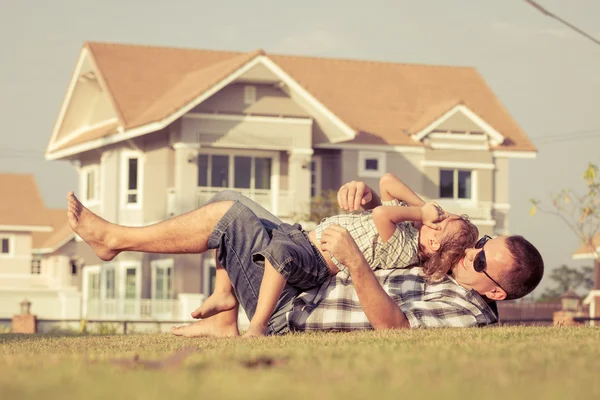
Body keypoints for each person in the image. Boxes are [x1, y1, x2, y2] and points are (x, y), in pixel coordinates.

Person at [65, 181, 544, 337]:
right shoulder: (450, 268)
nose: (472, 253)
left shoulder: (468, 312)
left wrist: (356, 262)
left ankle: (112, 238)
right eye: (484, 243)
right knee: (237, 201)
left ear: (497, 291)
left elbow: (395, 329)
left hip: (290, 310)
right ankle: (223, 315)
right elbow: (410, 233)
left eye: (481, 261)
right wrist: (369, 197)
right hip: (308, 276)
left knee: (232, 216)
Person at [240, 172, 479, 336]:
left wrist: (419, 213)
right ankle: (224, 304)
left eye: (443, 220)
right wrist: (423, 205)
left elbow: (381, 215)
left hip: (314, 260)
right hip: (302, 237)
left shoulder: (404, 248)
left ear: (434, 242)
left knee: (277, 255)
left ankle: (258, 326)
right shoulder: (407, 224)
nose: (439, 215)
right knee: (237, 231)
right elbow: (387, 181)